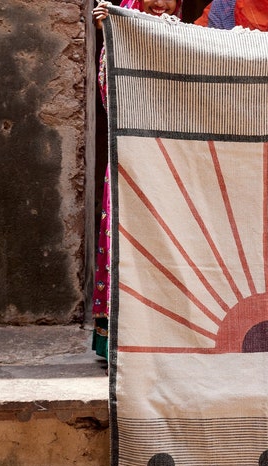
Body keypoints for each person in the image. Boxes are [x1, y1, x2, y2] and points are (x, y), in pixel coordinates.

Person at [91, 0, 182, 363]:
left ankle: (171, 335)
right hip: (132, 154)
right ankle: (122, 340)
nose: (160, 3)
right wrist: (112, 37)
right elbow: (110, 95)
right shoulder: (121, 30)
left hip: (175, 157)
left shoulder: (188, 36)